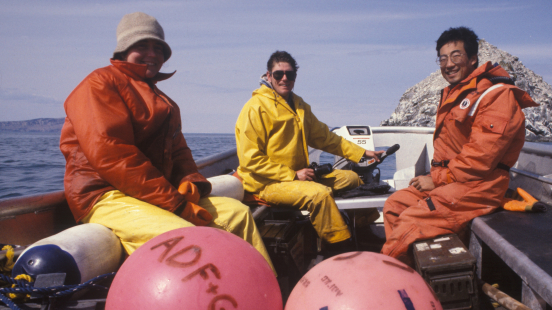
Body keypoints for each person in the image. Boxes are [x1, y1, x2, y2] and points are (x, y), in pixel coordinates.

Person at [60, 12, 274, 270]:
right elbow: (113, 155)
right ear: (123, 49)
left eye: (158, 48)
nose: (152, 53)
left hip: (150, 195)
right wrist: (176, 204)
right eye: (142, 45)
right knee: (189, 237)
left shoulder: (165, 102)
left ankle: (264, 291)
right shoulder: (100, 83)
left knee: (237, 214)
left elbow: (180, 151)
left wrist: (190, 181)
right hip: (104, 194)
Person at [381, 27, 538, 265]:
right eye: (443, 58)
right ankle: (412, 275)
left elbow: (481, 157)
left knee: (410, 221)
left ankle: (388, 276)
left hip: (478, 186)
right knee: (394, 205)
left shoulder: (496, 96)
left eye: (456, 56)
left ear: (472, 59)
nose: (448, 64)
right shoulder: (459, 93)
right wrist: (439, 178)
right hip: (454, 181)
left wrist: (438, 179)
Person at [235, 51, 384, 246]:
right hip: (265, 184)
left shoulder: (299, 105)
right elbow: (250, 159)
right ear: (268, 76)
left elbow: (325, 138)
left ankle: (363, 232)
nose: (284, 79)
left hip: (298, 177)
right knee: (319, 194)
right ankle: (339, 246)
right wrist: (293, 175)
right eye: (279, 74)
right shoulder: (255, 107)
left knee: (352, 178)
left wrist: (362, 153)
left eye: (290, 74)